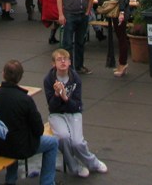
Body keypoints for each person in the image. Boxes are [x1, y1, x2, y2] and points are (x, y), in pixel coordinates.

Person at [0, 60, 59, 185]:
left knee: (12, 135)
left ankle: (11, 179)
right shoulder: (25, 100)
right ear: (20, 77)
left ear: (3, 74)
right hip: (20, 147)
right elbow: (38, 129)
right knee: (53, 143)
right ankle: (47, 182)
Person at [43, 49, 107, 178]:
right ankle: (75, 166)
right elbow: (52, 107)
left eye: (65, 59)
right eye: (59, 59)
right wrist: (57, 94)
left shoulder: (75, 78)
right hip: (57, 114)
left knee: (77, 142)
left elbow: (77, 105)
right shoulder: (49, 80)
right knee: (63, 137)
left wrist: (65, 97)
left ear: (70, 62)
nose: (62, 62)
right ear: (53, 64)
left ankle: (93, 162)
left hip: (73, 113)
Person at [57, 0, 94, 75]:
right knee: (67, 43)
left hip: (83, 14)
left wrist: (88, 10)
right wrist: (61, 15)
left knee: (80, 42)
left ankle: (79, 66)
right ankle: (69, 68)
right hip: (69, 15)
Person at [101, 0, 131, 77]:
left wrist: (122, 12)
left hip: (119, 10)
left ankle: (122, 63)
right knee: (120, 36)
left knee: (121, 37)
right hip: (118, 10)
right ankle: (121, 63)